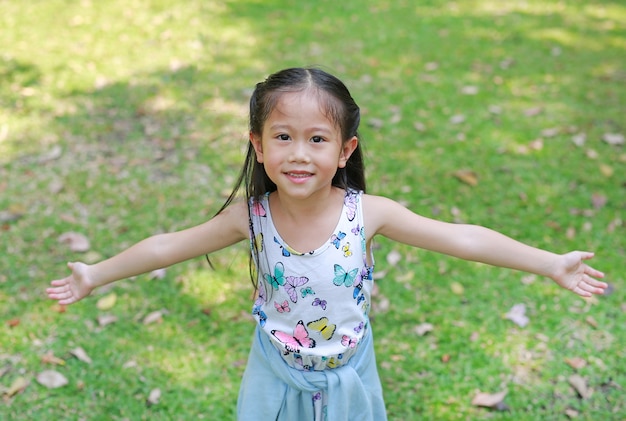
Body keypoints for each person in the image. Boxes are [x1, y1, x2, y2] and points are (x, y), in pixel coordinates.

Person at [47, 67, 607, 420]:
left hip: (350, 372)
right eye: (282, 137)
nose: (298, 153)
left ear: (344, 150)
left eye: (317, 139)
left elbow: (461, 237)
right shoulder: (252, 216)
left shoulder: (368, 215)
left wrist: (549, 262)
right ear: (258, 145)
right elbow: (167, 246)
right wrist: (96, 273)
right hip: (275, 372)